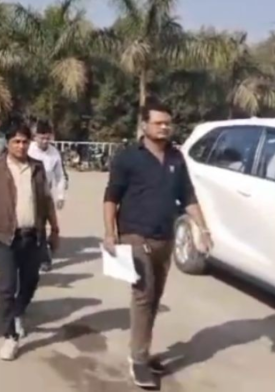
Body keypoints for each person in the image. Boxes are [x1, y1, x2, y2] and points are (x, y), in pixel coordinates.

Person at [103, 100, 212, 389]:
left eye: (167, 123)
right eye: (158, 123)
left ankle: (143, 350)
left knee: (154, 297)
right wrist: (110, 233)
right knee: (143, 294)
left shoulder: (176, 158)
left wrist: (203, 228)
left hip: (165, 237)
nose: (164, 127)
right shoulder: (128, 158)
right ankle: (138, 359)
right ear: (144, 125)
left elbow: (188, 196)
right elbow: (111, 197)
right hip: (135, 235)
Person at [0, 121, 61, 362]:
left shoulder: (37, 168)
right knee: (7, 286)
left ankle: (17, 312)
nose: (21, 146)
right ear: (8, 143)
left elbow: (47, 200)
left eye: (25, 141)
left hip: (32, 236)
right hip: (4, 237)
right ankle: (10, 336)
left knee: (31, 281)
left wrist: (54, 229)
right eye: (16, 141)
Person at [29, 120, 68, 273]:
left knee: (41, 228)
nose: (45, 141)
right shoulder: (28, 150)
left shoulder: (54, 153)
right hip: (27, 194)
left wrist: (60, 196)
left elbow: (60, 176)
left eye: (47, 138)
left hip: (45, 195)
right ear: (35, 136)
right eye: (41, 138)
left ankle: (44, 259)